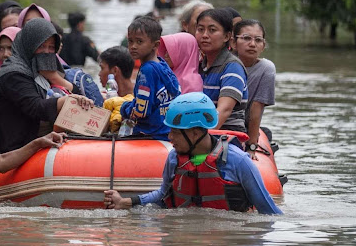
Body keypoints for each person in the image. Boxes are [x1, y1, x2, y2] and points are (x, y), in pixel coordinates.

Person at [103, 92, 282, 215]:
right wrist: (125, 202)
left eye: (175, 132)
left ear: (195, 133)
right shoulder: (174, 158)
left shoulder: (238, 161)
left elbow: (269, 211)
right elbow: (162, 194)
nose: (169, 137)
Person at [0, 18, 93, 153]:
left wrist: (54, 77)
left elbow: (77, 93)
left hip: (41, 141)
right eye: (41, 46)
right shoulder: (13, 73)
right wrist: (67, 100)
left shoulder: (43, 66)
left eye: (51, 47)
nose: (46, 52)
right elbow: (36, 107)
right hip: (14, 149)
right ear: (29, 45)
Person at [120, 16, 181, 140]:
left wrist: (124, 108)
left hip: (151, 133)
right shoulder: (162, 64)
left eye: (139, 41)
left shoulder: (146, 71)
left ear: (155, 44)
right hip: (167, 129)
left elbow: (141, 111)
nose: (133, 46)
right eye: (130, 41)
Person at [195, 8, 248, 133]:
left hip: (227, 133)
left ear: (226, 36)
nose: (205, 35)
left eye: (212, 30)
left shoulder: (232, 67)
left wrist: (198, 140)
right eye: (200, 29)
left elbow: (224, 110)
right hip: (201, 132)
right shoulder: (199, 65)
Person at [232, 19, 275, 155]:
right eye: (246, 38)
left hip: (243, 126)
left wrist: (251, 146)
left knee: (267, 133)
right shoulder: (224, 63)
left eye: (258, 40)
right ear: (233, 42)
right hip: (220, 123)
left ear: (263, 46)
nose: (252, 44)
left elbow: (256, 109)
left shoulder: (266, 69)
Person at [99, 46, 135, 132]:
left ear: (115, 71)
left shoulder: (139, 100)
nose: (99, 74)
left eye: (102, 68)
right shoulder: (103, 97)